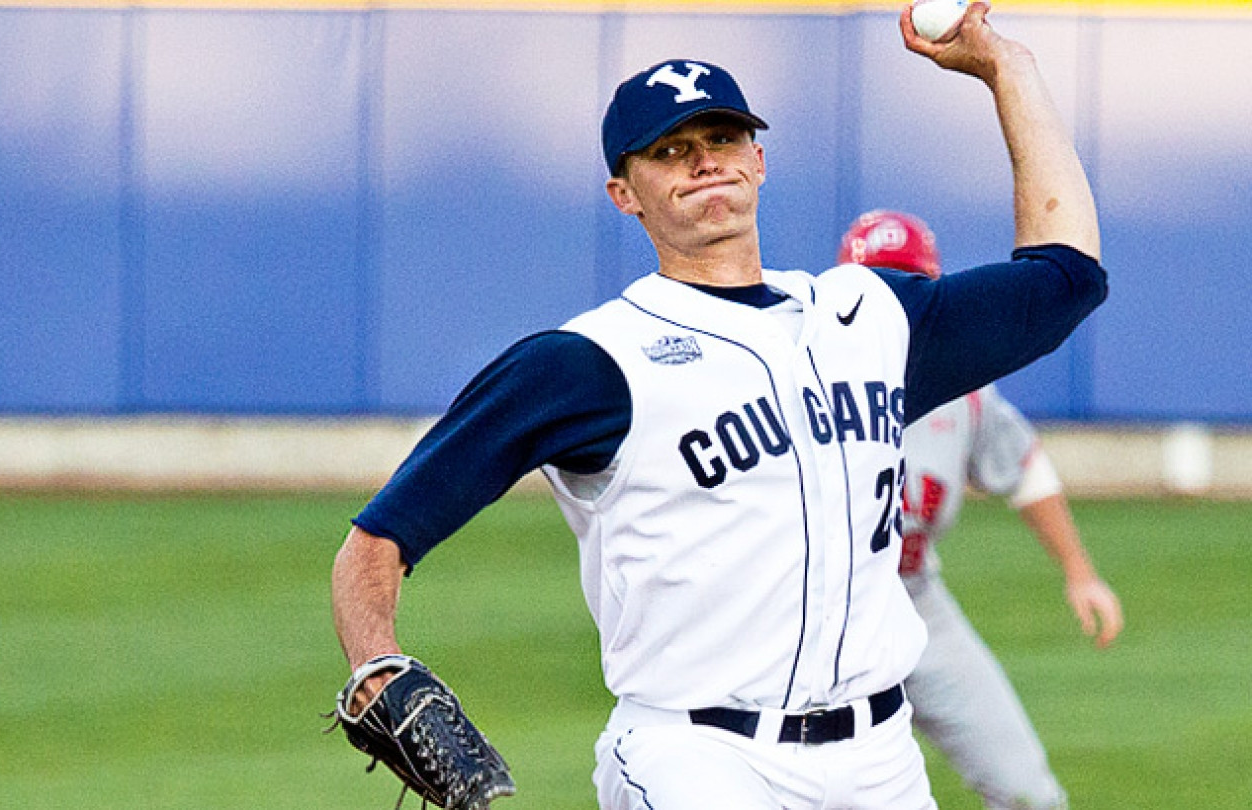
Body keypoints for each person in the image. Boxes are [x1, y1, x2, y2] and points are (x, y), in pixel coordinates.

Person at [331, 4, 1109, 808]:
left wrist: (1008, 70)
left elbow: (1067, 280)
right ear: (624, 192)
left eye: (724, 139)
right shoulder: (589, 363)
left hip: (880, 760)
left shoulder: (870, 318)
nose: (706, 163)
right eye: (671, 151)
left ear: (760, 161)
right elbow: (376, 541)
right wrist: (375, 662)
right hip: (695, 757)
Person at [837, 209, 1125, 810]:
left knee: (1028, 794)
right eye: (877, 285)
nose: (896, 302)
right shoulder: (801, 379)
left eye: (910, 284)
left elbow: (1024, 468)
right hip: (817, 621)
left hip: (916, 605)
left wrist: (1079, 571)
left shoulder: (964, 393)